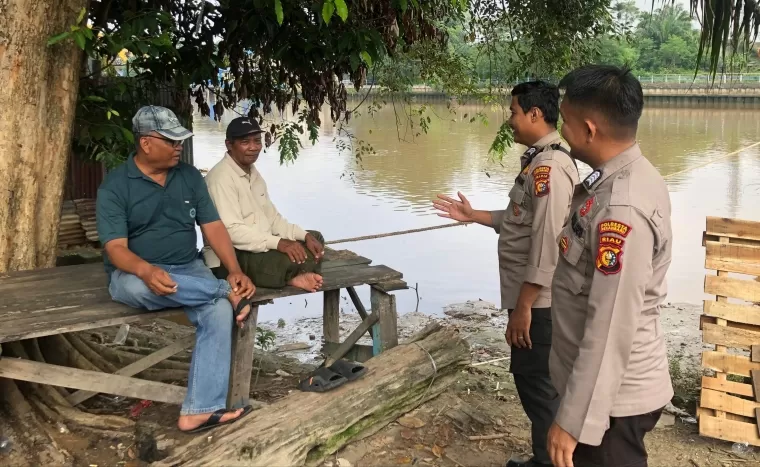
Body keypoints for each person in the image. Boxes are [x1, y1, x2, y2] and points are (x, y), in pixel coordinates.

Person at [433, 81, 579, 467]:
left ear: (535, 114)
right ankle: (543, 457)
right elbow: (519, 221)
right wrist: (473, 215)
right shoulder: (538, 160)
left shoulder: (549, 167)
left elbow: (547, 244)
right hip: (533, 299)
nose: (509, 119)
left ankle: (549, 462)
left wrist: (524, 308)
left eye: (513, 111)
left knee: (539, 387)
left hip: (541, 303)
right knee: (536, 384)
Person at [96, 105, 257, 433]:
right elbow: (115, 248)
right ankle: (223, 293)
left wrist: (234, 270)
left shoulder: (188, 177)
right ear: (146, 144)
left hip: (188, 268)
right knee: (138, 288)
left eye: (180, 140)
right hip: (135, 273)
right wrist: (144, 270)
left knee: (219, 315)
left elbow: (212, 225)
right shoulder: (115, 186)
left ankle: (198, 411)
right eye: (171, 141)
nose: (179, 146)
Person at [547, 65, 673, 467]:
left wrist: (573, 421)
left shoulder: (623, 208)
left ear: (589, 129)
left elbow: (611, 323)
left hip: (612, 403)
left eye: (564, 122)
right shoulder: (620, 179)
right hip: (600, 393)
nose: (561, 132)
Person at [202, 117, 325, 292]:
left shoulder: (253, 172)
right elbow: (231, 232)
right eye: (245, 142)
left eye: (257, 141)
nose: (253, 147)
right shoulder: (220, 178)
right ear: (229, 145)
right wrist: (278, 243)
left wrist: (304, 236)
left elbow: (273, 219)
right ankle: (292, 276)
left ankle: (293, 273)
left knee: (316, 238)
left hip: (260, 244)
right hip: (231, 257)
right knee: (287, 259)